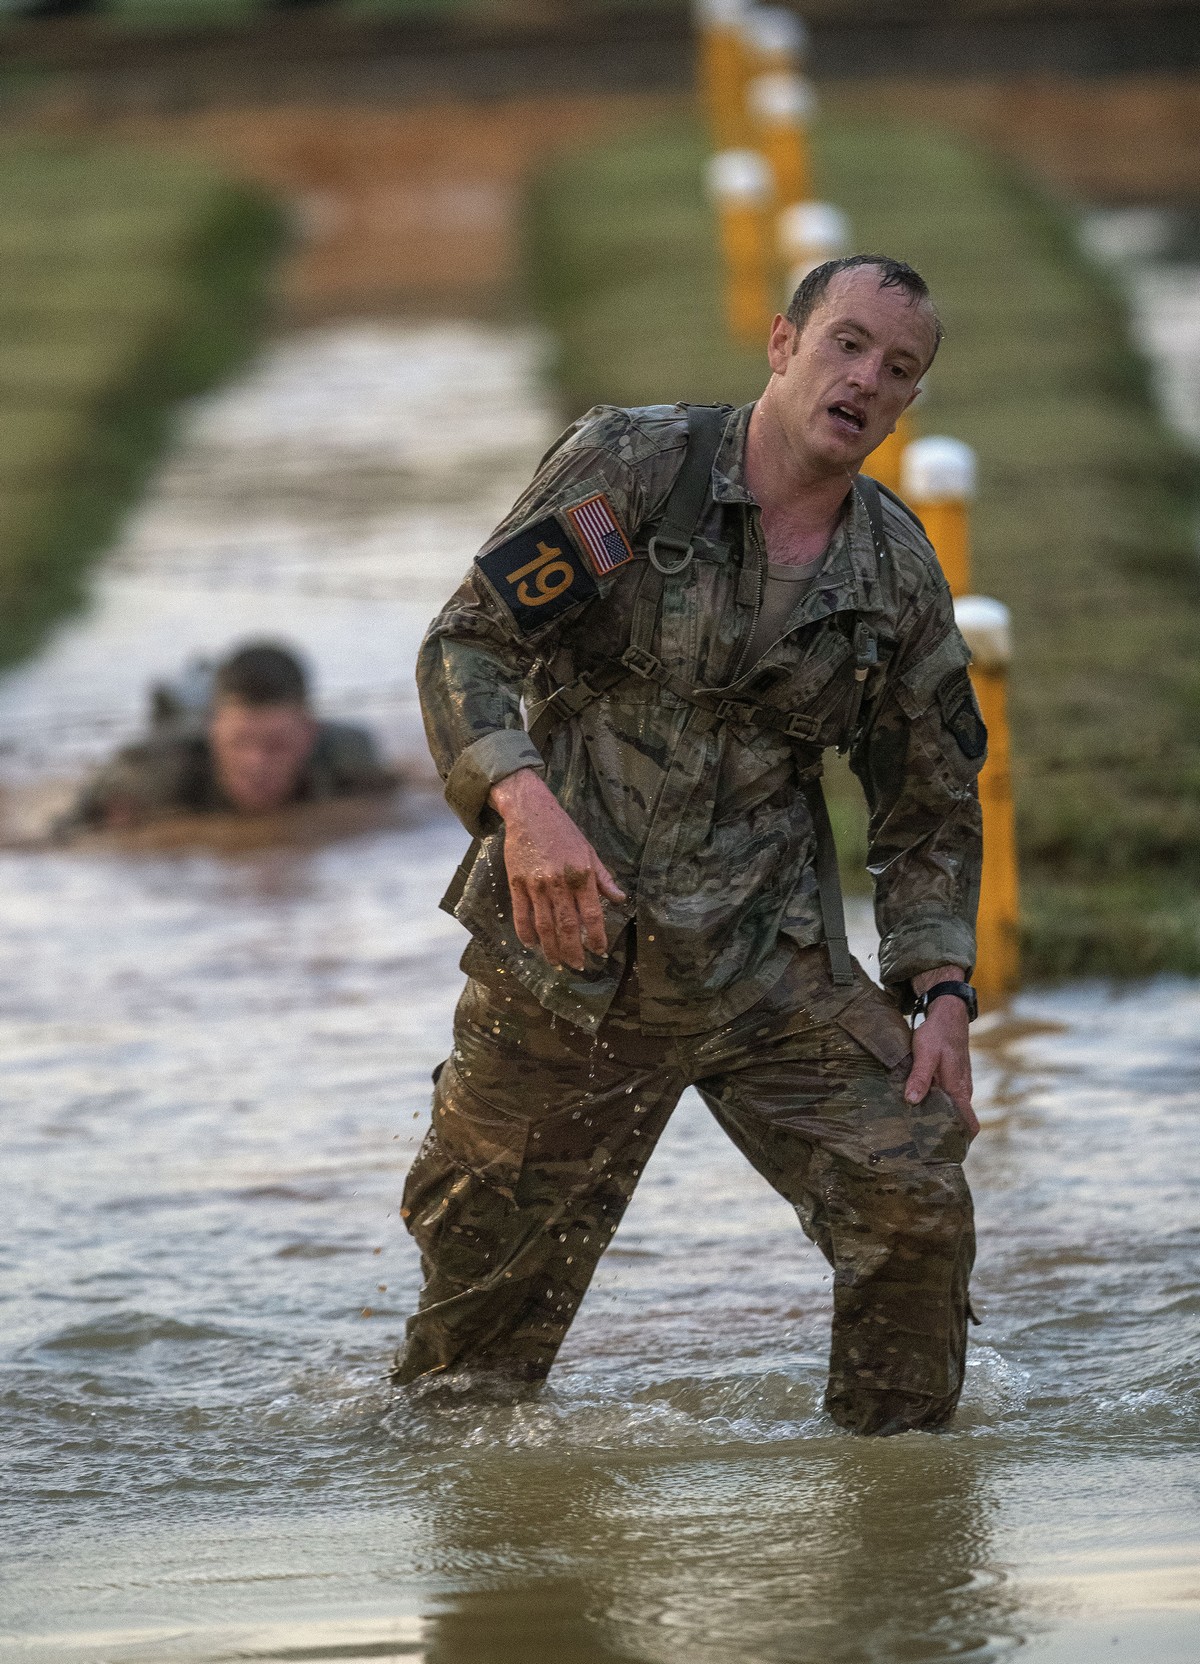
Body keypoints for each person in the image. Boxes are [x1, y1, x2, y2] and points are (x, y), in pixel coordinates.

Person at [395, 255, 987, 1436]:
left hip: (765, 968)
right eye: (848, 344)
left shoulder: (894, 571)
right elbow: (466, 645)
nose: (866, 379)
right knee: (475, 1360)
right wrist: (525, 803)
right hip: (566, 958)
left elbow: (929, 801)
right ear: (782, 344)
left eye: (899, 368)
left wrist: (942, 987)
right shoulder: (636, 469)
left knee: (913, 1198)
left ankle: (896, 1533)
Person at [65, 641, 394, 831]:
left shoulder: (350, 754)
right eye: (239, 743)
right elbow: (65, 829)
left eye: (276, 745)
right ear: (213, 730)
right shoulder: (154, 770)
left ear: (309, 734)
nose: (256, 763)